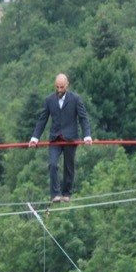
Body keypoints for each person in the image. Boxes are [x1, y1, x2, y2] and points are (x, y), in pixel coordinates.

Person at [30, 73, 92, 202]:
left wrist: (87, 136)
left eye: (62, 87)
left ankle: (67, 193)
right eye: (57, 87)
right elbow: (42, 120)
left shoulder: (76, 99)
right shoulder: (49, 100)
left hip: (71, 138)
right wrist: (35, 138)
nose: (59, 90)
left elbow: (83, 118)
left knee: (69, 167)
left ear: (67, 85)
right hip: (55, 139)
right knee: (52, 164)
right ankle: (55, 194)